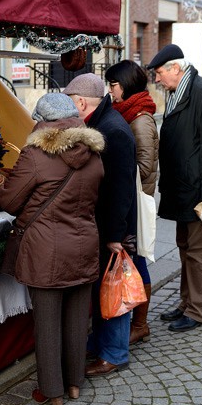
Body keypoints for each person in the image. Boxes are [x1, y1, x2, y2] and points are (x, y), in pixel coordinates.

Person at [0, 93, 105, 405]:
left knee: (47, 324)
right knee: (75, 320)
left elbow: (9, 202)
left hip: (45, 250)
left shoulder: (35, 155)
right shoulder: (94, 154)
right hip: (84, 245)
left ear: (42, 122)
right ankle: (74, 384)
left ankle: (52, 392)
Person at [147, 44, 202, 333]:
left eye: (159, 73)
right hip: (184, 190)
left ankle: (198, 310)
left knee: (199, 253)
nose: (157, 80)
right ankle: (186, 303)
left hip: (200, 193)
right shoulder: (179, 92)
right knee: (186, 249)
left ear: (175, 68)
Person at [63, 73, 138, 377]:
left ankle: (115, 354)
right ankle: (102, 343)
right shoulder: (102, 123)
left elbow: (120, 188)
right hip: (104, 224)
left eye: (70, 102)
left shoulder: (112, 130)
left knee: (113, 288)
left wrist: (115, 235)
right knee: (102, 287)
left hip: (112, 227)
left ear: (81, 102)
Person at [105, 60, 159, 345]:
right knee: (134, 259)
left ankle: (140, 323)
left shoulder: (139, 118)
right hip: (132, 198)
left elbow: (146, 166)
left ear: (124, 85)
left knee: (137, 259)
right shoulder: (128, 113)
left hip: (137, 202)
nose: (110, 90)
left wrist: (117, 167)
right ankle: (135, 320)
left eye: (113, 85)